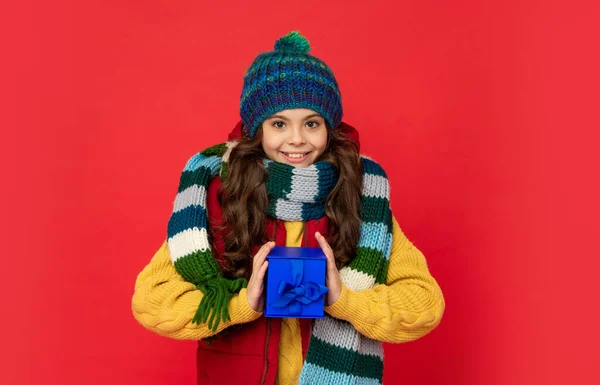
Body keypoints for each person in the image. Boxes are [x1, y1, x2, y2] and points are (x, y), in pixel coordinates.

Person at [132, 31, 445, 385]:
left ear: (329, 128)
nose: (296, 138)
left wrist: (345, 300)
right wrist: (241, 305)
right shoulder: (219, 198)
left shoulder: (362, 200)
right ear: (257, 129)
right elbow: (151, 301)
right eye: (279, 123)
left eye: (311, 123)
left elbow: (424, 305)